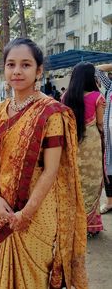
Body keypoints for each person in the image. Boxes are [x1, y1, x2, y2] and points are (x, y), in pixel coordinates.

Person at [0, 38, 88, 289]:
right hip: (3, 205)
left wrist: (26, 213)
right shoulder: (0, 109)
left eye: (25, 64)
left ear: (39, 71)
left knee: (35, 276)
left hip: (37, 209)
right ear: (5, 69)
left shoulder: (52, 112)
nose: (17, 71)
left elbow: (51, 170)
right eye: (11, 64)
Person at [63, 62, 105, 237]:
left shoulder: (66, 97)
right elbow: (101, 124)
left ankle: (73, 224)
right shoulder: (97, 97)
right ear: (90, 78)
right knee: (91, 183)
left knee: (74, 183)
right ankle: (89, 226)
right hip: (91, 146)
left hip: (72, 144)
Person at [95, 64, 112, 214]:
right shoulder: (110, 86)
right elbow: (98, 69)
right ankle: (109, 202)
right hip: (109, 138)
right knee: (109, 170)